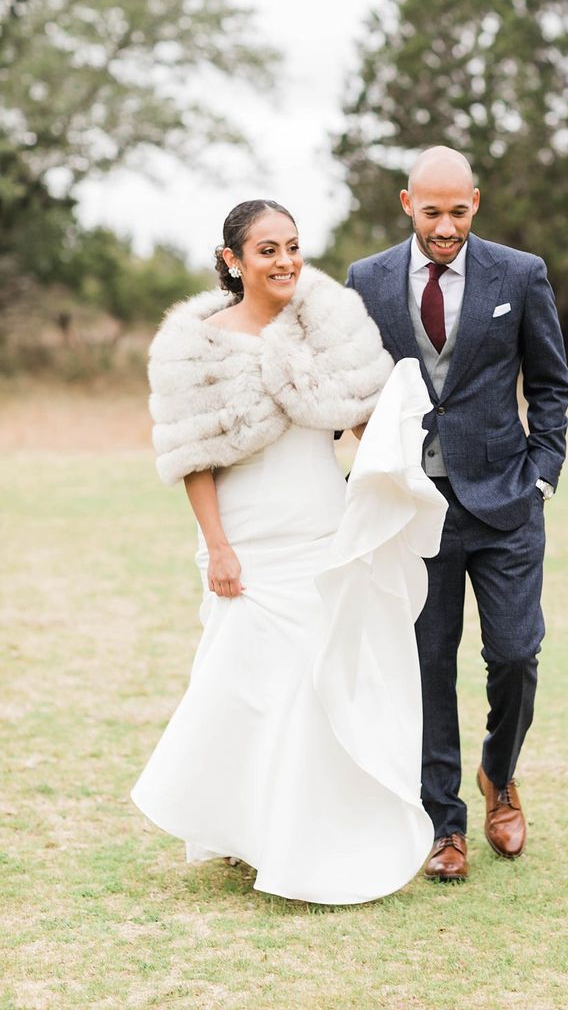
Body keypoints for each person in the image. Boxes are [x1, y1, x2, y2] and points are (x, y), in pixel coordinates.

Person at [131, 199, 448, 904]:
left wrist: (393, 462)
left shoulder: (327, 329)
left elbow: (367, 416)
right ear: (232, 261)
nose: (285, 261)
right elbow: (192, 459)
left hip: (319, 530)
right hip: (248, 538)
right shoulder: (197, 346)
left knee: (315, 685)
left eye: (293, 247)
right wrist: (217, 547)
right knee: (248, 689)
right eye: (267, 249)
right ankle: (247, 824)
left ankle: (306, 836)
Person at [347, 147, 568, 881]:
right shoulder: (368, 280)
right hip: (414, 508)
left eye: (460, 210)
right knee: (427, 665)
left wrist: (542, 473)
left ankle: (498, 774)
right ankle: (446, 824)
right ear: (406, 202)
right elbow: (355, 383)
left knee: (514, 653)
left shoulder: (521, 273)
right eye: (432, 211)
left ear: (476, 201)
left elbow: (550, 385)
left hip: (507, 501)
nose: (446, 226)